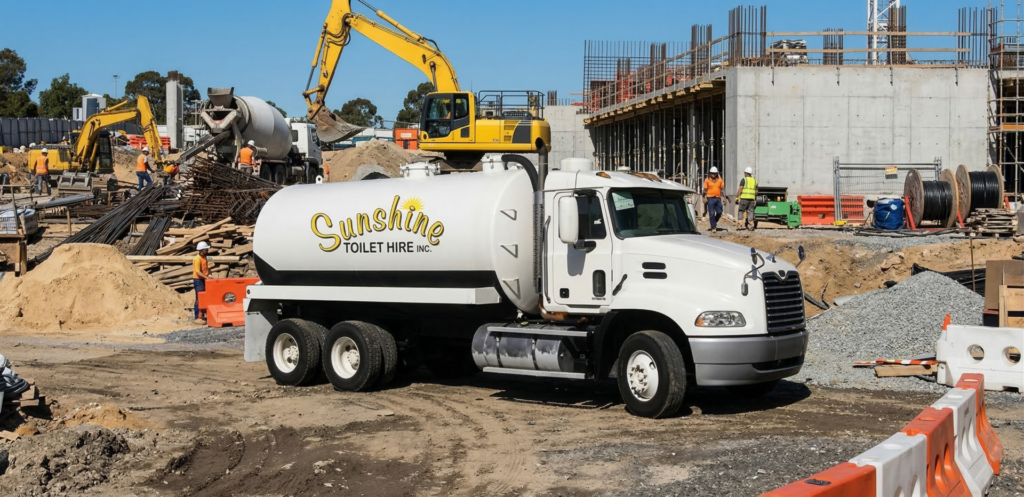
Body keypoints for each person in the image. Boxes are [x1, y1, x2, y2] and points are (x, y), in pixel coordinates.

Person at [193, 241, 212, 324]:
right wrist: (207, 277)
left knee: (204, 298)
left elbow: (205, 269)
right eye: (206, 250)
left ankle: (203, 315)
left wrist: (209, 275)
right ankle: (197, 317)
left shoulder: (204, 258)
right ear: (201, 250)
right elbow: (198, 272)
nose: (207, 251)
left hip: (203, 279)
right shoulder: (197, 259)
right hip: (198, 280)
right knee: (199, 299)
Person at [703, 167, 725, 232]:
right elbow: (705, 190)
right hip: (710, 198)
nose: (713, 175)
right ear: (710, 173)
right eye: (712, 173)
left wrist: (724, 197)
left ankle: (714, 221)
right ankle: (713, 227)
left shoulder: (720, 180)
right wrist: (703, 197)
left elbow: (723, 189)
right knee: (711, 213)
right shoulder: (707, 180)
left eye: (714, 174)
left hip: (718, 198)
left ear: (716, 174)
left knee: (719, 212)